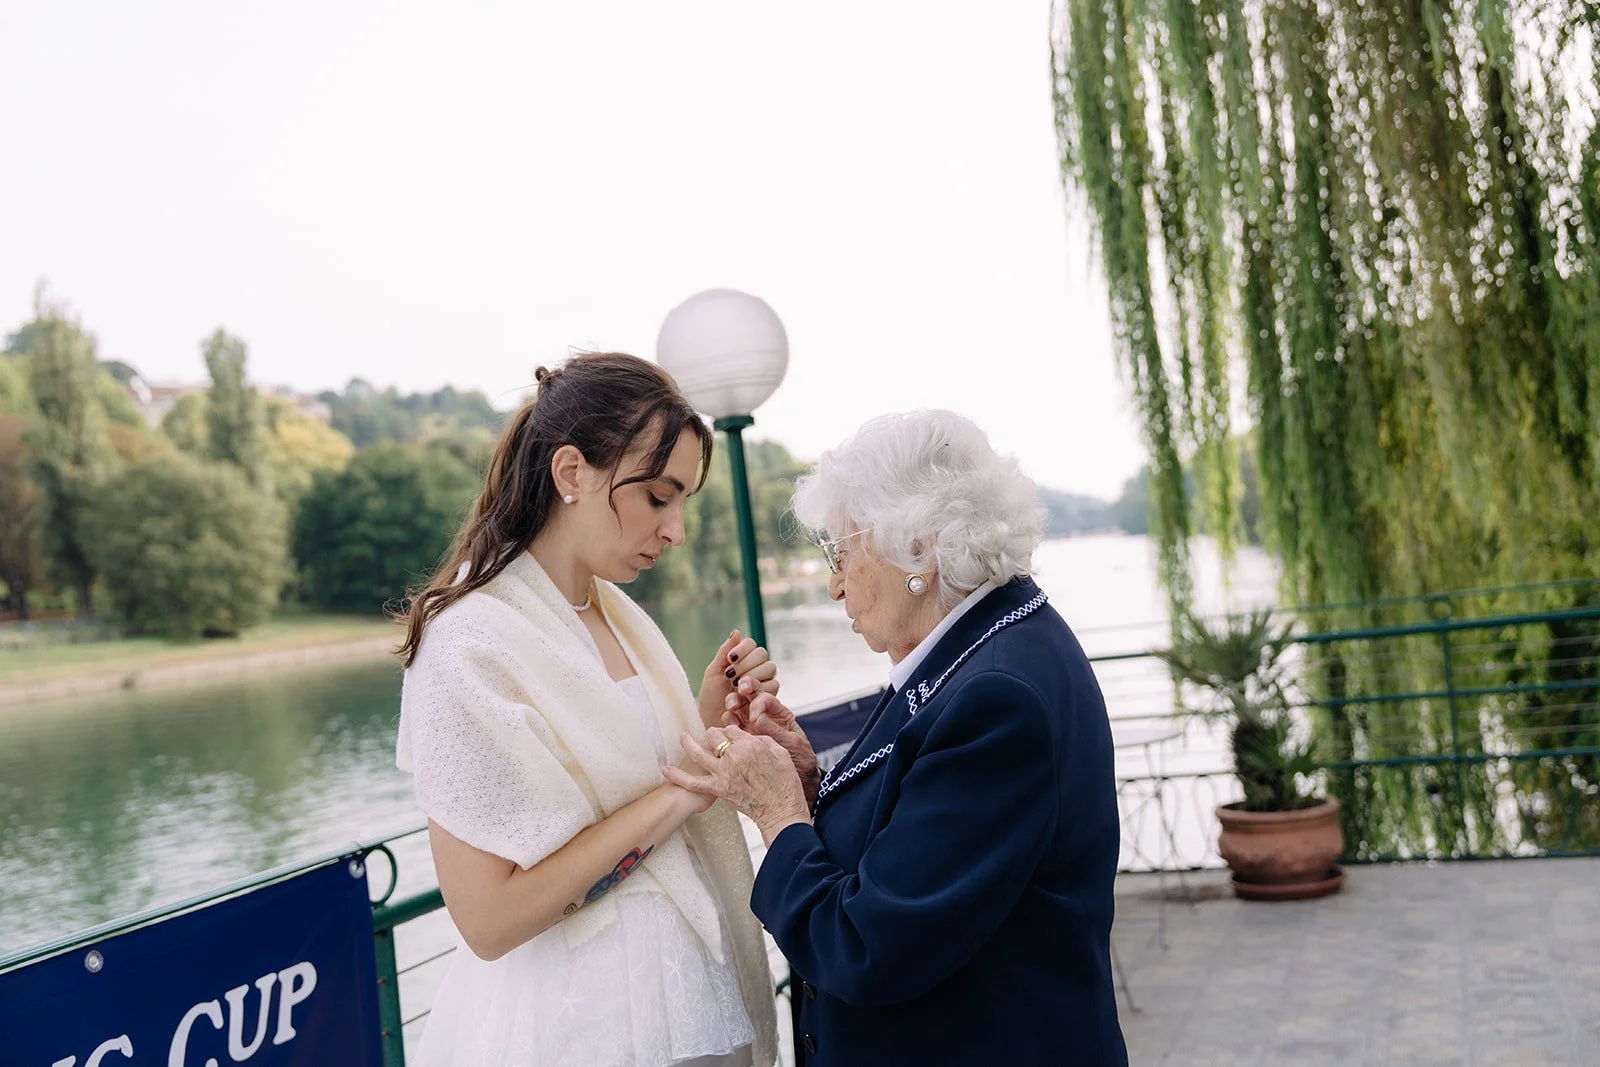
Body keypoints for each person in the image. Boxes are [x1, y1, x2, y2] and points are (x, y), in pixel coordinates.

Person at [664, 410, 1128, 1066]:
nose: (833, 584)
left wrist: (778, 814)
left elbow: (869, 946)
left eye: (842, 552)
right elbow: (919, 837)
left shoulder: (996, 697)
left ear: (919, 551)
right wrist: (806, 781)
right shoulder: (980, 647)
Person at [395, 352, 779, 1067]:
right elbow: (488, 918)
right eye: (659, 497)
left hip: (683, 996)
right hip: (578, 1025)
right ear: (572, 473)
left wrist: (710, 723)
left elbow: (639, 775)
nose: (676, 531)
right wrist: (686, 788)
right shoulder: (468, 646)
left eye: (683, 503)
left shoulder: (616, 615)